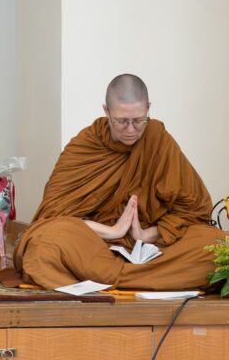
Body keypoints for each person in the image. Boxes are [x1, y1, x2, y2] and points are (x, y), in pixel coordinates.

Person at [15, 74, 226, 290]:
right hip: (94, 245)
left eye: (139, 120)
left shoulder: (157, 139)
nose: (131, 130)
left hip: (151, 247)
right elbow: (53, 216)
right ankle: (148, 280)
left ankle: (107, 279)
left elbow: (192, 209)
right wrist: (113, 231)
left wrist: (145, 234)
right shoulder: (85, 146)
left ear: (148, 109)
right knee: (45, 243)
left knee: (216, 245)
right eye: (122, 121)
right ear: (106, 111)